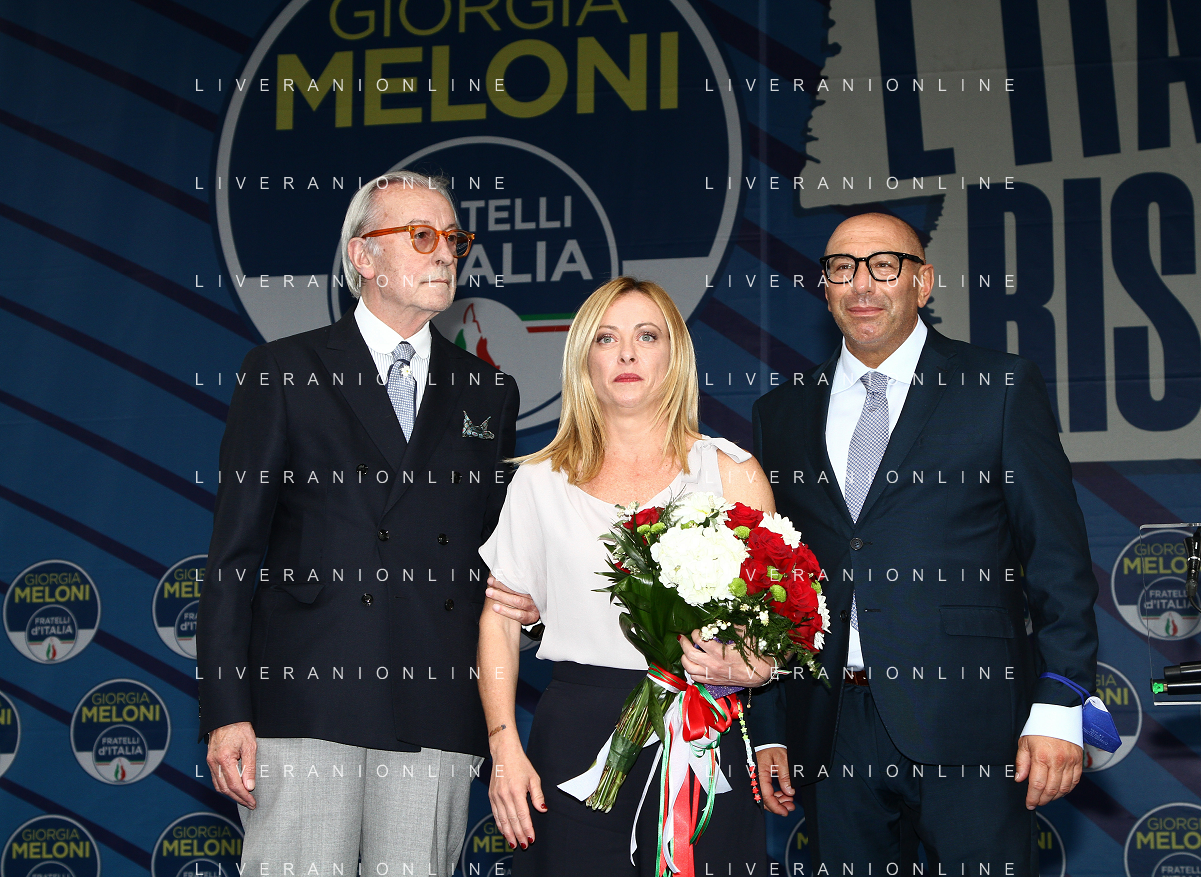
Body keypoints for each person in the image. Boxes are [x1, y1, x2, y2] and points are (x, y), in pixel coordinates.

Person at [749, 213, 1099, 874]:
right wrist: (769, 727)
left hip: (971, 718)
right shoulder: (780, 412)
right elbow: (771, 584)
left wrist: (1060, 703)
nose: (861, 285)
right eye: (841, 268)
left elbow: (1057, 561)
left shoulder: (997, 387)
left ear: (923, 281)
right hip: (830, 727)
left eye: (884, 266)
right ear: (825, 287)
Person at [196, 170, 519, 877]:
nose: (446, 254)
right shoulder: (283, 370)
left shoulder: (488, 390)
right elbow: (233, 558)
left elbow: (497, 556)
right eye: (422, 236)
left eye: (454, 239)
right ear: (362, 257)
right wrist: (226, 709)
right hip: (305, 699)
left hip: (435, 702)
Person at [476, 277, 776, 876]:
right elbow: (501, 622)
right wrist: (503, 743)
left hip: (703, 729)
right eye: (606, 339)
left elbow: (776, 621)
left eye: (647, 336)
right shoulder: (538, 481)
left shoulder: (731, 473)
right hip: (575, 734)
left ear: (675, 354)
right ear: (584, 359)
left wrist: (756, 664)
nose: (627, 354)